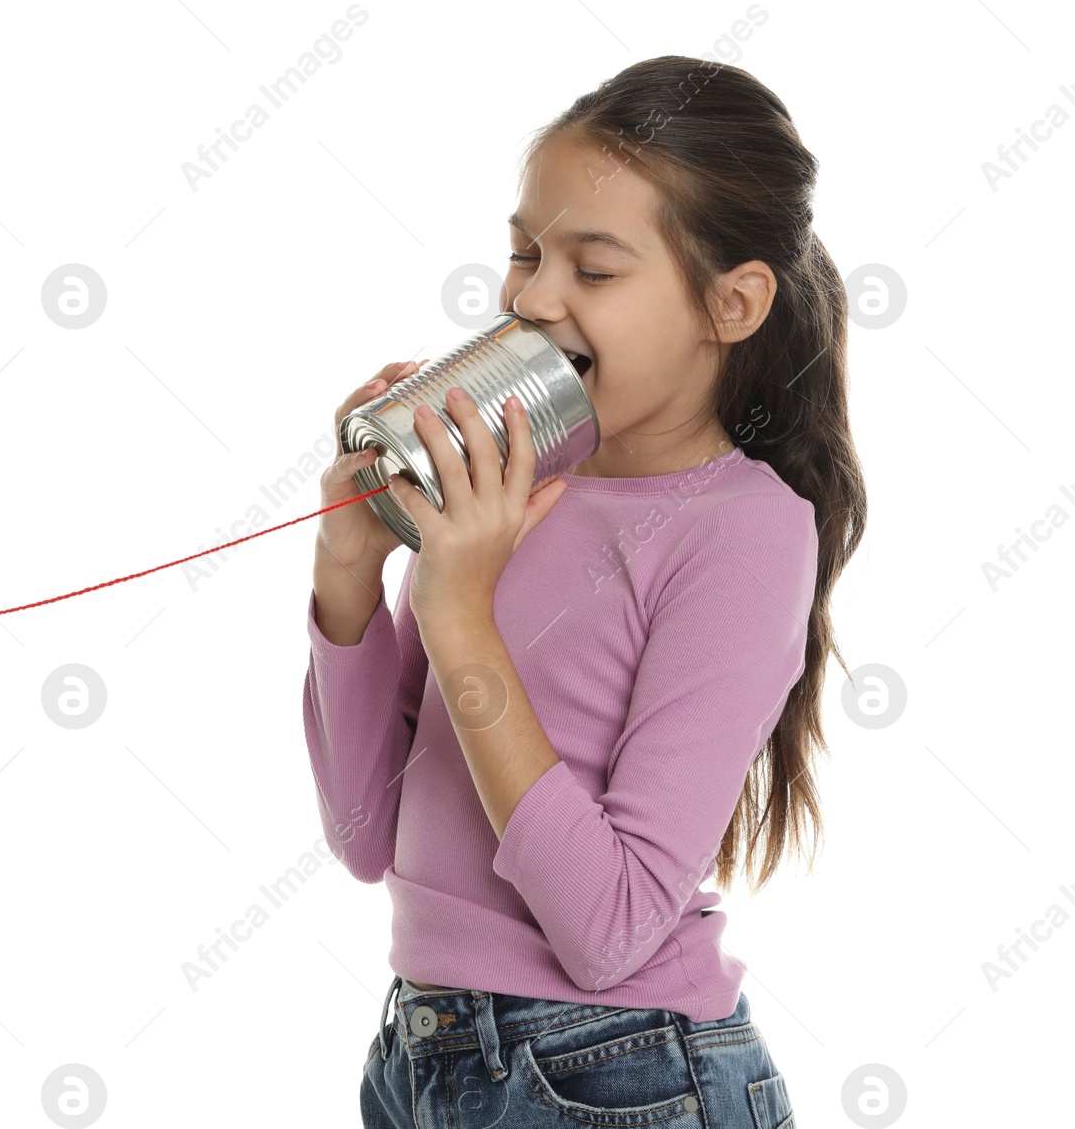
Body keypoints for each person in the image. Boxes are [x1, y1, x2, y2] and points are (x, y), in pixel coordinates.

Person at [304, 55, 866, 1128]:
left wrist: (460, 616)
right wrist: (349, 571)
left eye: (592, 270)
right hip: (423, 1056)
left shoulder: (742, 531)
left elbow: (606, 930)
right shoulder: (511, 494)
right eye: (523, 252)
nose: (530, 297)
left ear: (731, 303)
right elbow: (366, 838)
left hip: (615, 1076)